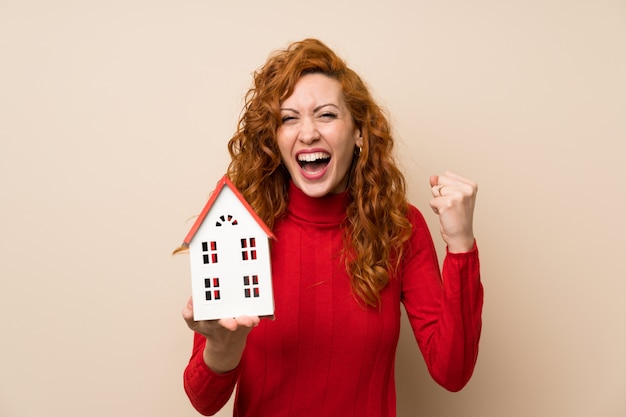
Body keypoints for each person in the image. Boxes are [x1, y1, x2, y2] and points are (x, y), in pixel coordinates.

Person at [180, 38, 483, 417]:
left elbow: (452, 371)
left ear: (359, 132)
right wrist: (222, 349)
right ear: (274, 138)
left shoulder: (399, 227)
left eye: (325, 115)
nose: (307, 133)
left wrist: (460, 245)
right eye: (288, 118)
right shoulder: (239, 228)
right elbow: (204, 401)